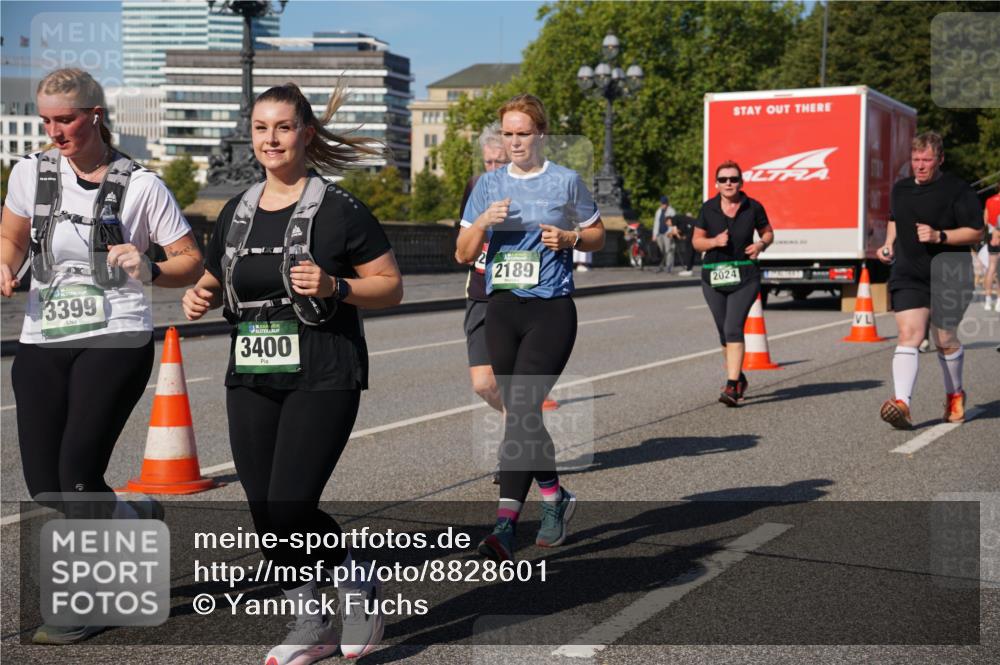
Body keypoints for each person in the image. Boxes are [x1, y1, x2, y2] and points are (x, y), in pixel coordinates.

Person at [182, 83, 403, 664]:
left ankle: (354, 574)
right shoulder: (237, 210)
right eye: (261, 128)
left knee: (289, 507)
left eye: (282, 127)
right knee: (264, 514)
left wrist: (336, 286)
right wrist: (201, 294)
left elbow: (390, 287)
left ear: (306, 132)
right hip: (252, 372)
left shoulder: (340, 209)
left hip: (323, 372)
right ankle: (313, 623)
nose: (271, 139)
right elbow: (219, 275)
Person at [0, 68, 204, 644]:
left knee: (76, 474)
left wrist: (151, 266)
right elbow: (11, 236)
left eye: (65, 119)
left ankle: (86, 600)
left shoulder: (141, 185)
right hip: (45, 334)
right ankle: (131, 516)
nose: (54, 131)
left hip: (116, 335)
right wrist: (5, 263)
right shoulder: (29, 172)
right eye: (46, 120)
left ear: (94, 115)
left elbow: (190, 260)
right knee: (44, 484)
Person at [456, 94, 604, 562]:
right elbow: (462, 252)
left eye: (523, 133)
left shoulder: (565, 180)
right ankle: (554, 496)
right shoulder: (487, 184)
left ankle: (504, 526)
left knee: (521, 408)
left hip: (550, 310)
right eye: (508, 133)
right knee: (523, 412)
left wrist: (571, 237)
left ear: (540, 134)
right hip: (502, 309)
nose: (514, 142)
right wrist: (483, 221)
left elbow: (598, 234)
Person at [877, 132, 983, 429]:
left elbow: (976, 232)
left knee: (944, 339)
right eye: (915, 160)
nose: (920, 165)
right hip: (909, 273)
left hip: (950, 273)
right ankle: (902, 404)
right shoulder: (901, 189)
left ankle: (955, 395)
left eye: (926, 160)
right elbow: (895, 218)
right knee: (908, 334)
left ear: (940, 159)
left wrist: (940, 236)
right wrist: (888, 244)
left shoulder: (958, 190)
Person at [692, 160, 774, 407]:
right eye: (723, 179)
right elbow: (696, 242)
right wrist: (714, 242)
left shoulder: (753, 207)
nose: (729, 183)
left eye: (733, 179)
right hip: (713, 277)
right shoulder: (708, 209)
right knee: (723, 332)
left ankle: (731, 386)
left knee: (733, 328)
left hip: (745, 276)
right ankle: (738, 377)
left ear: (741, 182)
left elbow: (768, 232)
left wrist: (760, 244)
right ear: (716, 184)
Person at [983, 190, 1000, 312]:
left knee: (991, 267)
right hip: (998, 235)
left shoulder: (989, 200)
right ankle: (999, 301)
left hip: (991, 236)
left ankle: (988, 300)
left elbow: (985, 220)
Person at [652, 195, 676, 273]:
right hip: (659, 234)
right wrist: (654, 234)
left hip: (667, 234)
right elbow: (656, 223)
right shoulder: (658, 211)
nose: (663, 205)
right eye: (662, 204)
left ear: (667, 203)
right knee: (661, 251)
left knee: (668, 250)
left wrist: (670, 232)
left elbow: (673, 223)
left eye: (664, 204)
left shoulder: (671, 211)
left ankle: (669, 266)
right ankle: (661, 266)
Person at [673, 211, 697, 276]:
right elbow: (683, 231)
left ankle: (689, 269)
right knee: (690, 251)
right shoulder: (684, 223)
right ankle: (689, 268)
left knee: (689, 251)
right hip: (692, 236)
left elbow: (677, 231)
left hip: (691, 237)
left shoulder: (676, 219)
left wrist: (676, 233)